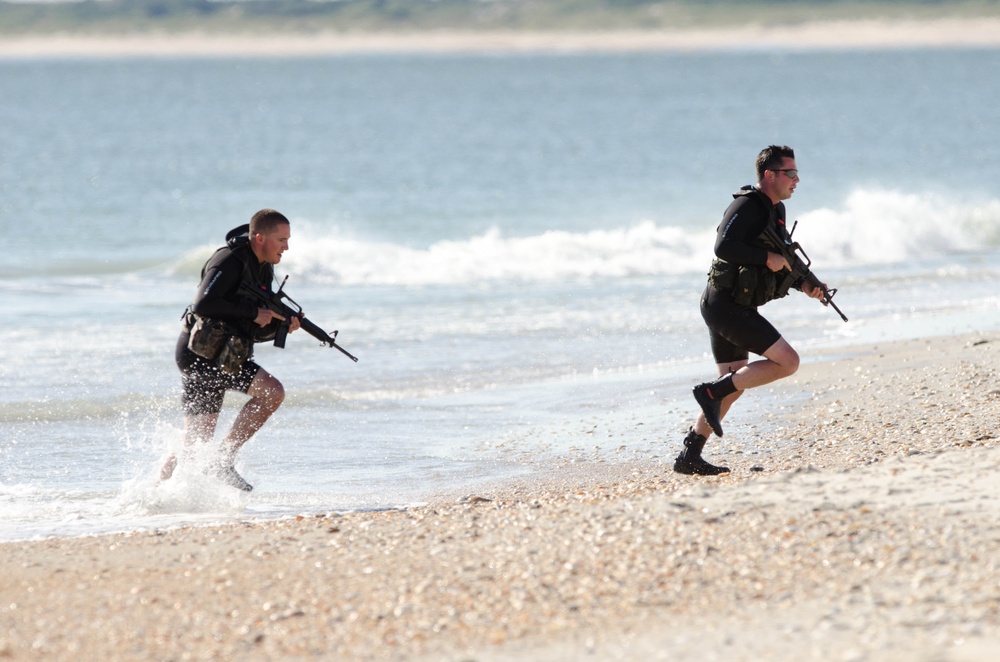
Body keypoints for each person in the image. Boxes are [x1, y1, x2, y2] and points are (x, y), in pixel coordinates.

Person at [674, 145, 826, 476]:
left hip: (731, 305)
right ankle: (710, 392)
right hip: (724, 305)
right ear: (769, 175)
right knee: (788, 362)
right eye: (790, 173)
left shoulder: (777, 211)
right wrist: (764, 259)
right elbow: (723, 246)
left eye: (797, 173)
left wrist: (807, 285)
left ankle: (690, 453)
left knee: (734, 382)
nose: (797, 180)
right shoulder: (745, 206)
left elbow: (784, 255)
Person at [160, 209, 300, 491]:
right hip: (202, 353)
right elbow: (203, 304)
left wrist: (280, 326)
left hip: (220, 354)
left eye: (287, 239)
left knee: (194, 443)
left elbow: (249, 325)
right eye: (281, 240)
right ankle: (222, 461)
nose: (286, 247)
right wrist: (252, 312)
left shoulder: (263, 267)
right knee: (272, 392)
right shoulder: (229, 260)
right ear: (259, 238)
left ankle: (152, 496)